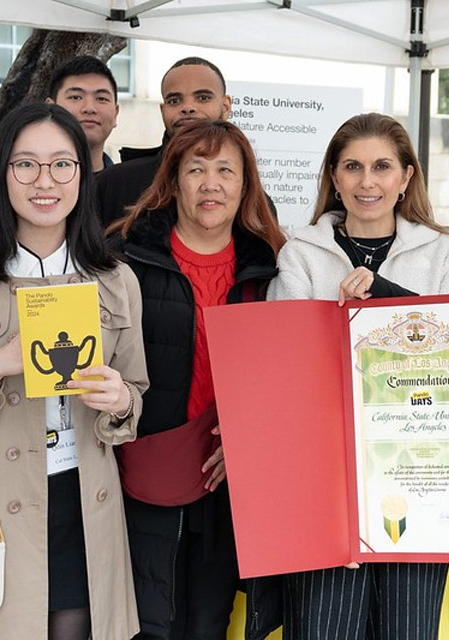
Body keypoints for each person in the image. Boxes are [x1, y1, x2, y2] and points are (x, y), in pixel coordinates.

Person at [251, 113, 449, 640]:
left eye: (382, 167)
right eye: (352, 167)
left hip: (420, 475)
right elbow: (286, 371)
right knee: (321, 628)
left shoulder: (446, 254)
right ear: (333, 177)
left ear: (406, 177)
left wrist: (387, 296)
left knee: (408, 629)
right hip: (324, 477)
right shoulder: (301, 254)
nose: (367, 181)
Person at [0, 102, 148, 640]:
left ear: (82, 174)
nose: (44, 181)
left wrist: (119, 399)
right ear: (2, 175)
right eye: (25, 164)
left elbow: (136, 394)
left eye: (62, 164)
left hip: (83, 498)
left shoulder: (117, 281)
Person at [108, 119, 286, 640]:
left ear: (245, 185)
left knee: (210, 622)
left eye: (225, 170)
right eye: (196, 170)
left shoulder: (273, 266)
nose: (211, 184)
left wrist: (248, 441)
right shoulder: (123, 259)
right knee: (146, 622)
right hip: (143, 471)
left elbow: (285, 380)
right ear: (173, 180)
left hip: (229, 479)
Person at [96, 56, 232, 227]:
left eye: (203, 98)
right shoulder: (114, 184)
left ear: (226, 106)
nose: (188, 107)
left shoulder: (248, 193)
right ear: (163, 110)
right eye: (174, 101)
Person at [47, 54, 120, 173]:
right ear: (50, 107)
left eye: (101, 99)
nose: (89, 108)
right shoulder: (23, 182)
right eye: (75, 97)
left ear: (116, 114)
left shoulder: (129, 188)